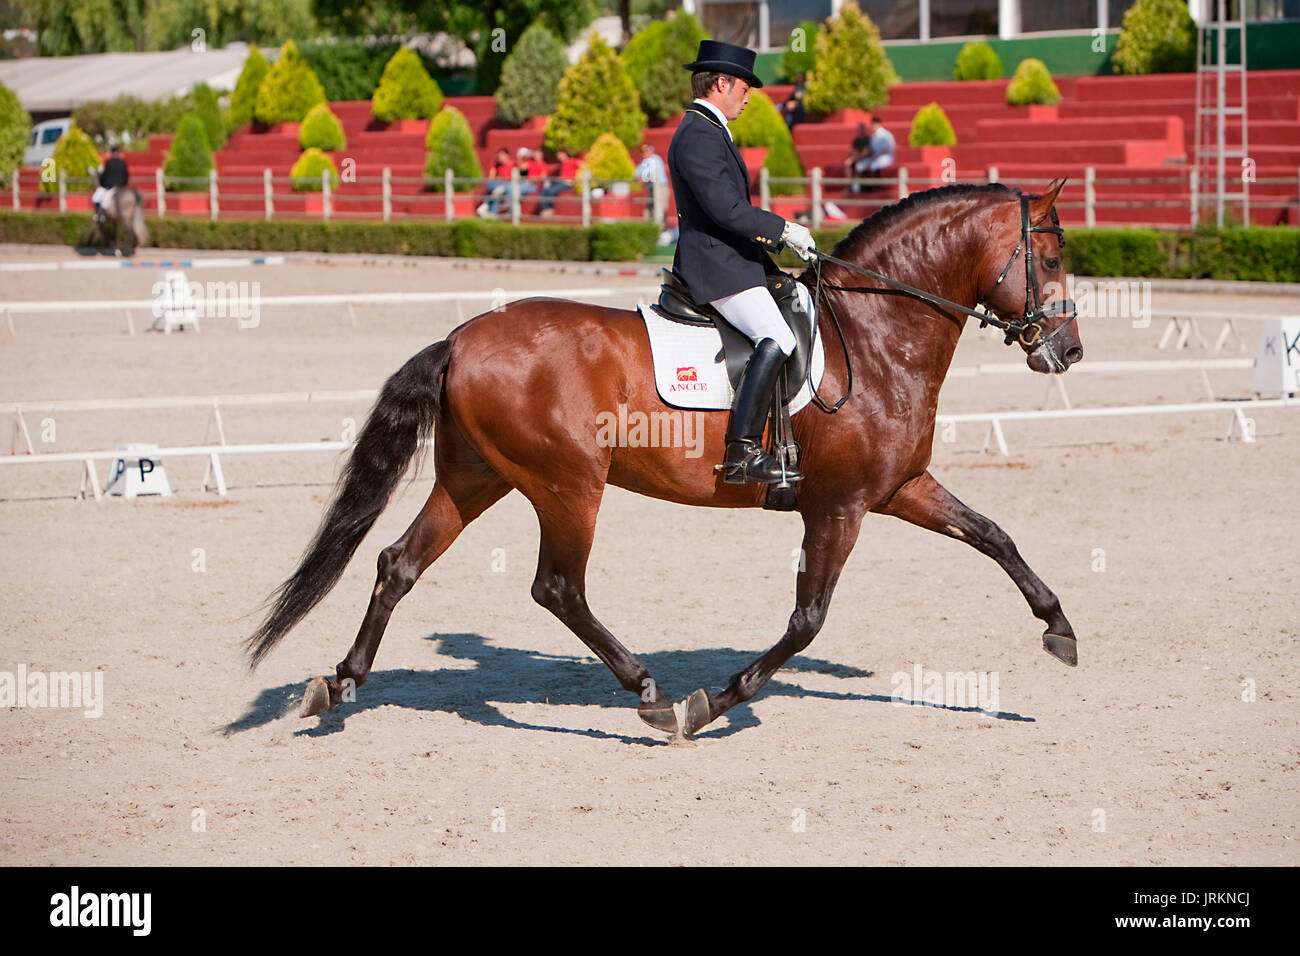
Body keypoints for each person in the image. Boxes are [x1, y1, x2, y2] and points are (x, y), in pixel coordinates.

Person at [668, 39, 817, 485]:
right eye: (744, 88)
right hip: (716, 266)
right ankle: (743, 451)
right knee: (776, 335)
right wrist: (783, 230)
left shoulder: (708, 130)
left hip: (734, 259)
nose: (749, 97)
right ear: (720, 83)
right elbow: (725, 209)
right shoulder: (697, 133)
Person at [848, 116, 895, 194]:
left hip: (885, 157)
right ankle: (863, 187)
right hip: (874, 157)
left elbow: (884, 150)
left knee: (873, 166)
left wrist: (872, 157)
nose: (872, 126)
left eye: (874, 124)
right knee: (860, 166)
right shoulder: (874, 136)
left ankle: (875, 186)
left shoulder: (884, 135)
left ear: (878, 124)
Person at [93, 144, 129, 223]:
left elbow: (104, 176)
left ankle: (100, 216)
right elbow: (126, 176)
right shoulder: (123, 163)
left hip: (110, 188)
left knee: (96, 198)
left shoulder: (108, 162)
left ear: (111, 152)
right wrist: (123, 185)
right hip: (121, 187)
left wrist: (103, 184)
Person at [539, 148, 579, 216]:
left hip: (567, 183)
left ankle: (550, 209)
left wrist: (576, 179)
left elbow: (582, 164)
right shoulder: (562, 164)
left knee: (550, 191)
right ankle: (546, 209)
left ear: (565, 154)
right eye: (558, 155)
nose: (559, 156)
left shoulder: (572, 161)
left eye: (560, 155)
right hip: (560, 182)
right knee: (545, 190)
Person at [477, 148, 514, 218]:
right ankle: (492, 213)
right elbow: (491, 178)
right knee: (492, 188)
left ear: (507, 156)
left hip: (508, 186)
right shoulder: (497, 165)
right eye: (499, 156)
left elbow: (513, 178)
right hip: (498, 186)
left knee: (496, 192)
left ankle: (486, 205)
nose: (500, 157)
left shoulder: (513, 164)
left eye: (501, 155)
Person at [634, 144, 667, 220]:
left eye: (647, 151)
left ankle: (661, 228)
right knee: (649, 208)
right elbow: (637, 173)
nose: (645, 153)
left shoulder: (656, 159)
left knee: (660, 208)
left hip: (660, 188)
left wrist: (643, 179)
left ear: (651, 151)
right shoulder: (643, 162)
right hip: (651, 189)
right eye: (644, 151)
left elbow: (653, 173)